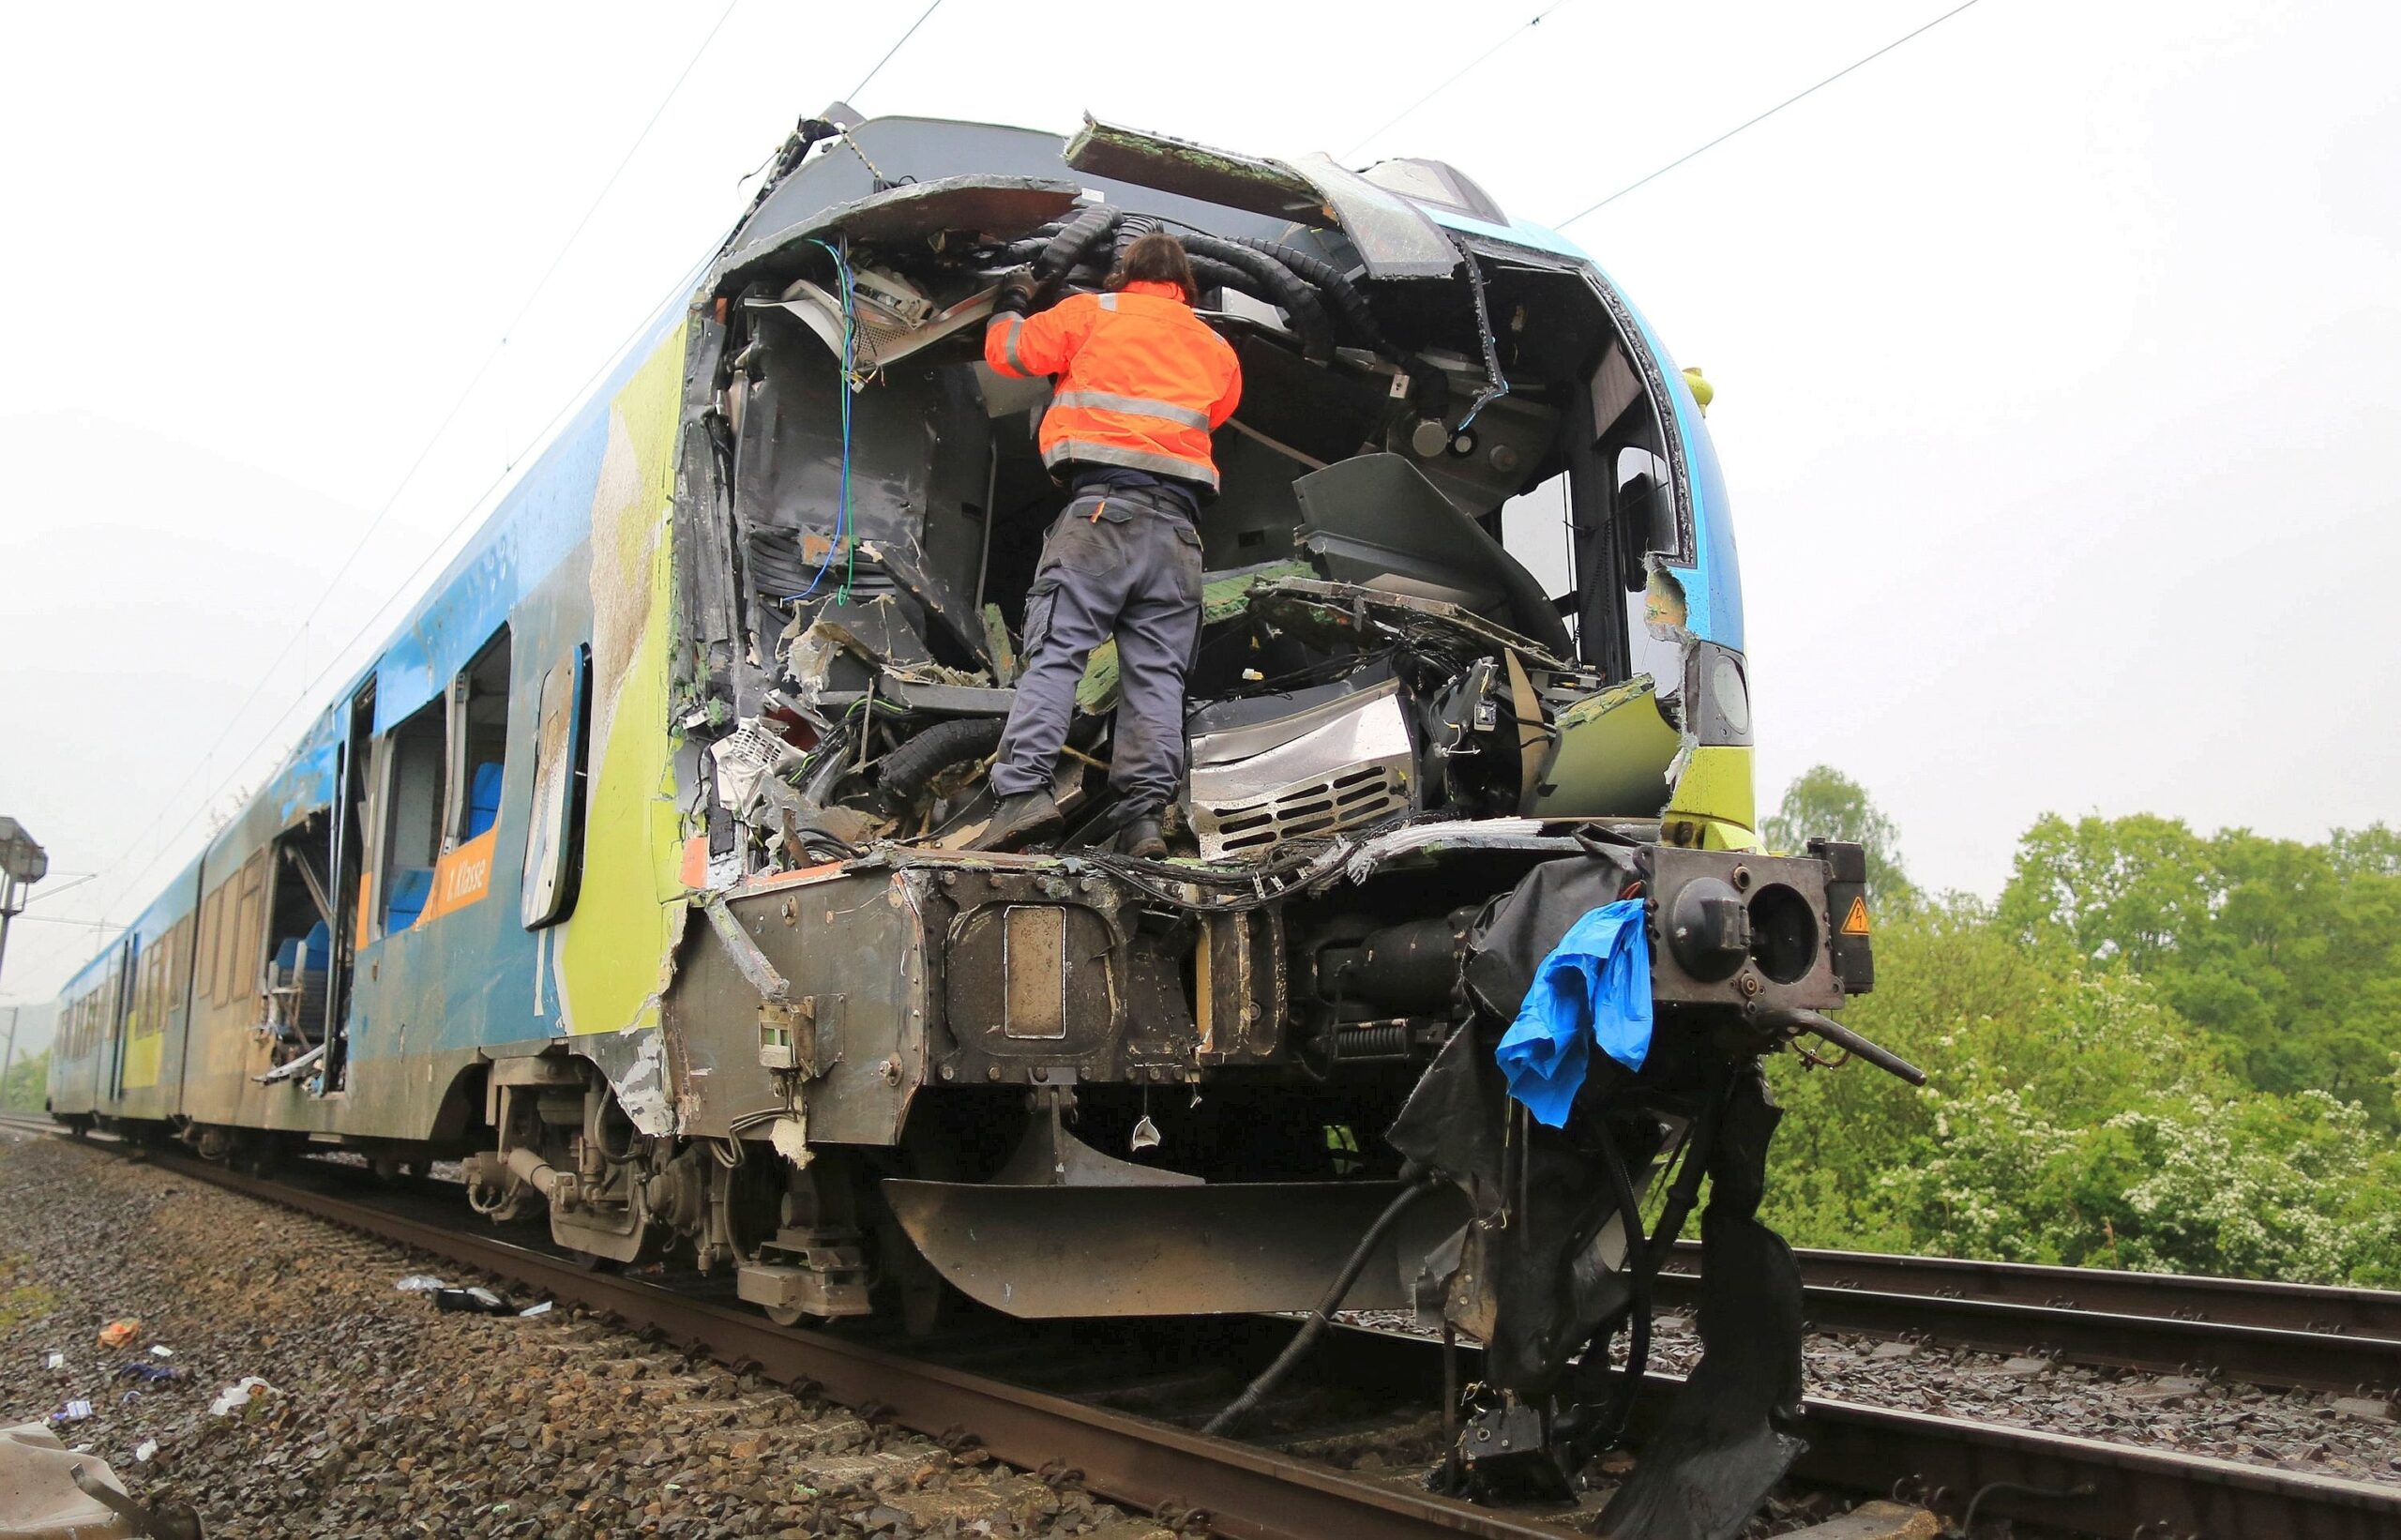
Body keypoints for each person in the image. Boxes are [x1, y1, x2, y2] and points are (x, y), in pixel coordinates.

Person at [969, 233, 1242, 858]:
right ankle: (1143, 822)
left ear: (1124, 274)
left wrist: (1013, 296)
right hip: (1177, 534)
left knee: (1057, 654)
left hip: (1100, 516)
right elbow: (1212, 413)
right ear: (1187, 285)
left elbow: (1007, 352)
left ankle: (1020, 798)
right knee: (1156, 681)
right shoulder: (1216, 348)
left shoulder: (1092, 314)